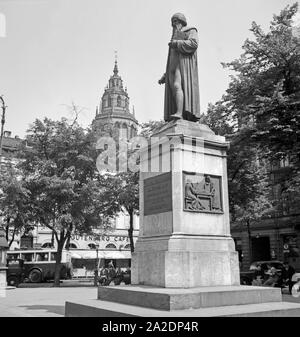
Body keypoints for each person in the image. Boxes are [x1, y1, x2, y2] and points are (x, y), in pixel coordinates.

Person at [158, 13, 200, 122]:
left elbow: (194, 44)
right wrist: (165, 75)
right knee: (173, 92)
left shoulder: (191, 30)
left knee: (178, 86)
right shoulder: (174, 36)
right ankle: (177, 112)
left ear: (182, 21)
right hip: (171, 69)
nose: (174, 24)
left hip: (182, 67)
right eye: (173, 22)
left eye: (176, 21)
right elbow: (172, 58)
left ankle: (180, 113)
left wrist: (177, 43)